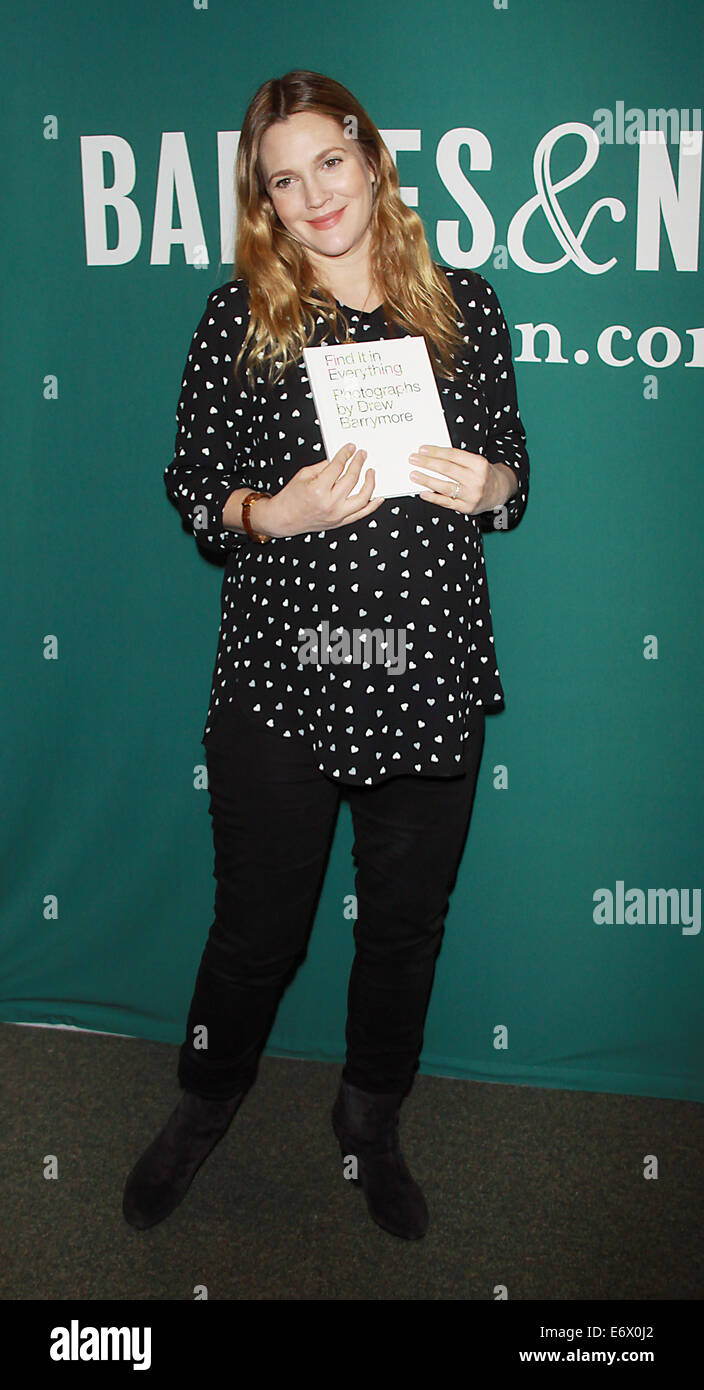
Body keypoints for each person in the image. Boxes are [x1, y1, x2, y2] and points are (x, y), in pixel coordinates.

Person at [122, 69, 529, 1242]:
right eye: (282, 182)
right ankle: (203, 1106)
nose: (312, 199)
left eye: (327, 166)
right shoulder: (237, 318)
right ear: (263, 202)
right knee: (256, 928)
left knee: (403, 924)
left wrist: (487, 483)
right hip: (278, 677)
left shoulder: (466, 305)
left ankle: (368, 1117)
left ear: (369, 159)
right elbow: (192, 488)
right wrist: (270, 515)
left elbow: (512, 474)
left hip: (426, 669)